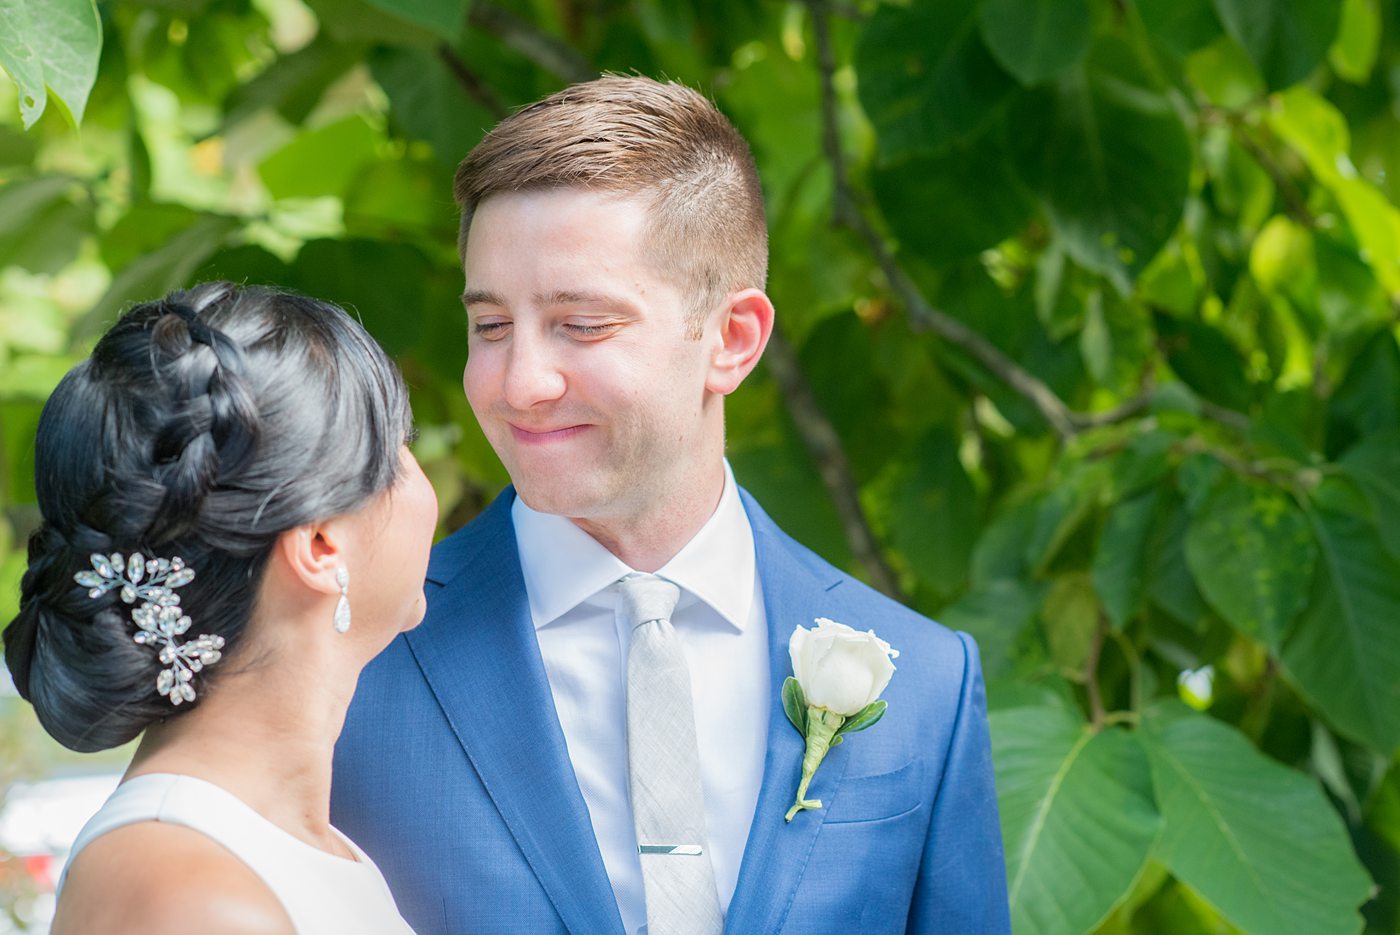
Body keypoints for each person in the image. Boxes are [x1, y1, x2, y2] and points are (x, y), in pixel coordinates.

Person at [331, 76, 1010, 934]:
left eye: (581, 324)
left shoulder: (927, 685)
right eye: (492, 327)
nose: (521, 384)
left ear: (732, 339)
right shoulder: (354, 657)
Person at [3, 282, 438, 934]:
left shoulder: (285, 846)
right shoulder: (189, 898)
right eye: (398, 451)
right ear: (321, 544)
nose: (422, 476)